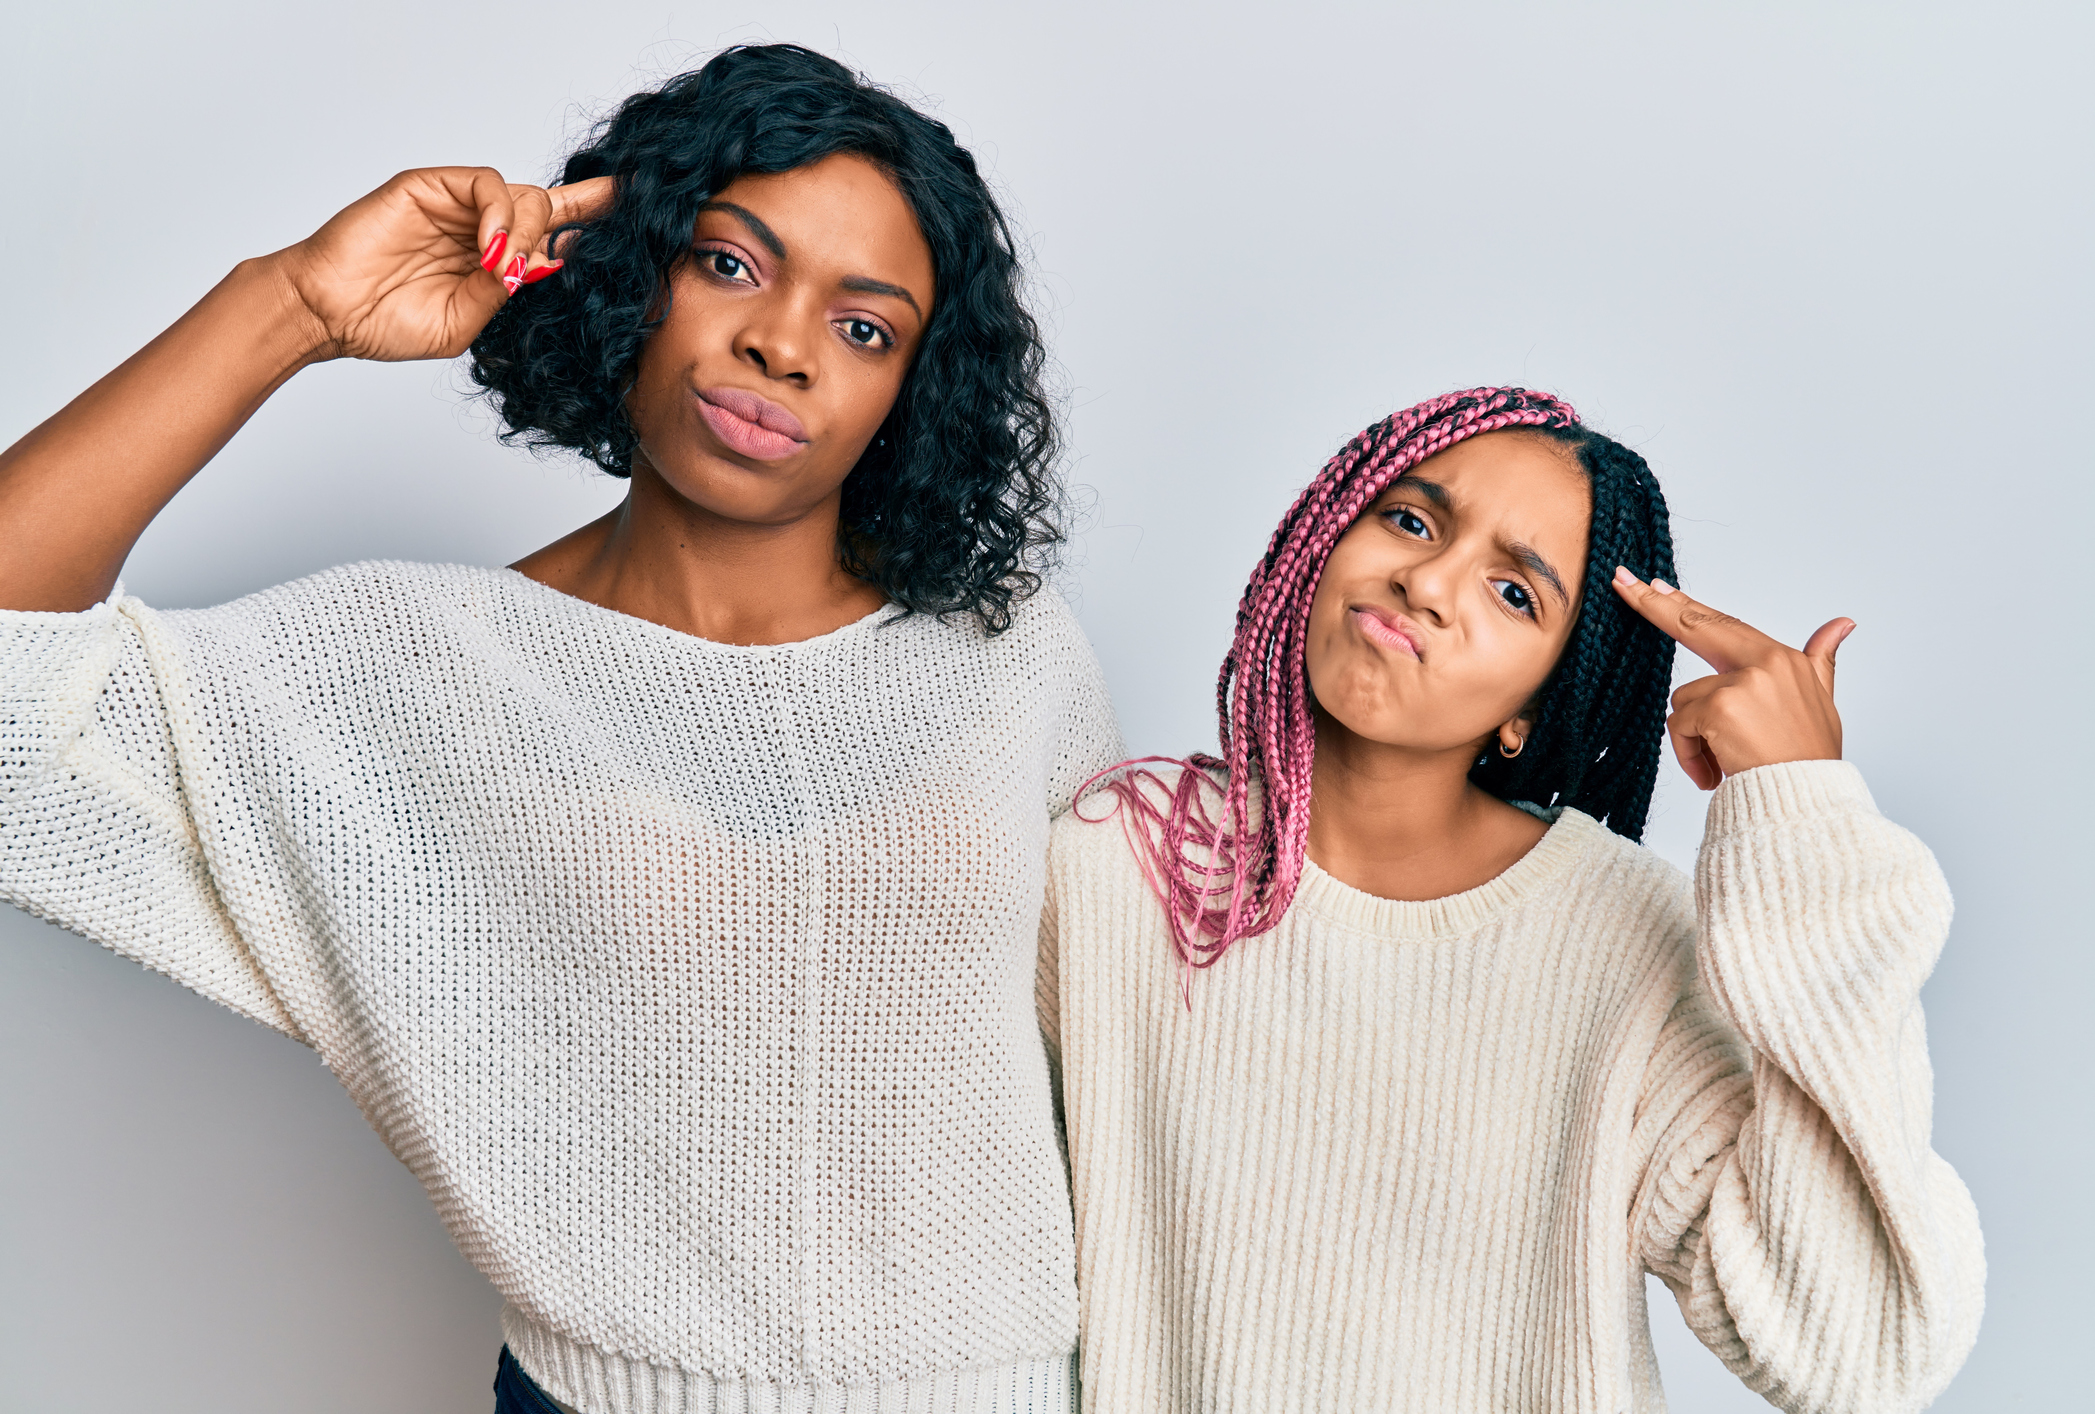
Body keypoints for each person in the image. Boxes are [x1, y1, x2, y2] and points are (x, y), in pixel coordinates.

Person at [0, 44, 1119, 1413]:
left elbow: (1116, 1064)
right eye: (728, 263)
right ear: (631, 272)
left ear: (911, 394)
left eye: (865, 325)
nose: (781, 345)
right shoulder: (420, 665)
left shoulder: (1008, 650)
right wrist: (288, 303)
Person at [1043, 387, 1984, 1412]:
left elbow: (1862, 1349)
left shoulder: (1620, 942)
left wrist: (1800, 810)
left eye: (1514, 593)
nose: (1429, 581)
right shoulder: (1120, 866)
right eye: (1410, 519)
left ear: (1531, 713)